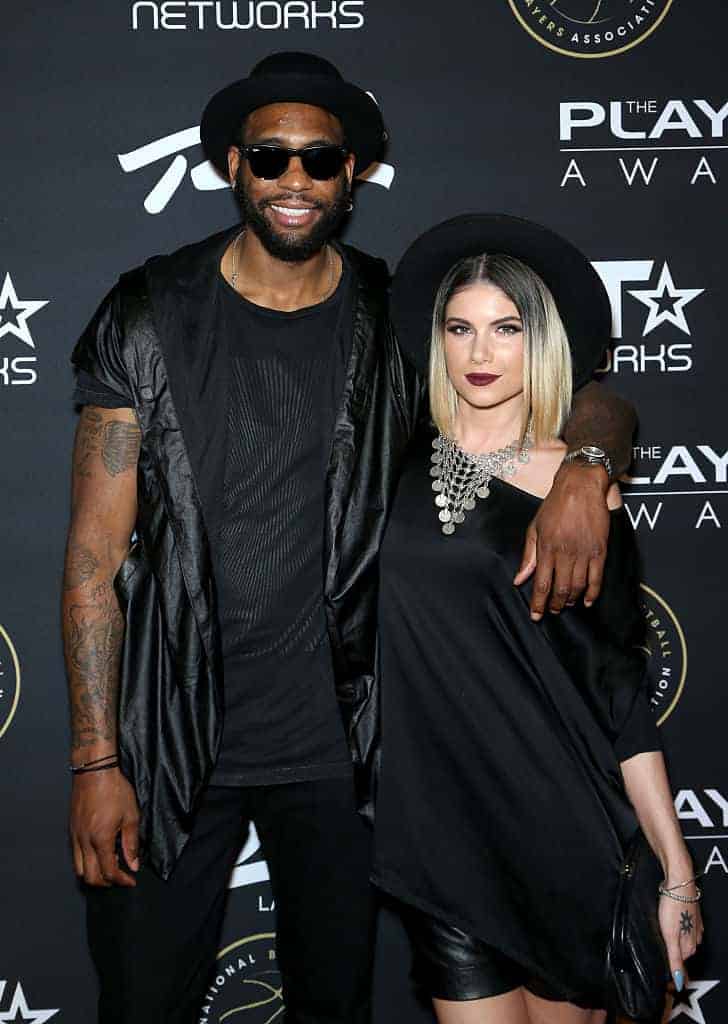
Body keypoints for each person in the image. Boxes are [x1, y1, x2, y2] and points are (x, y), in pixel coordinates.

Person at [63, 53, 637, 1024]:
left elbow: (588, 394)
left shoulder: (397, 317)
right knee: (142, 1003)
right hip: (169, 741)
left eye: (320, 159)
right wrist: (94, 762)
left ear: (353, 174)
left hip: (352, 753)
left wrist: (585, 466)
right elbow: (91, 561)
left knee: (337, 1006)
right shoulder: (147, 313)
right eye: (270, 157)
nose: (294, 179)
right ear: (233, 166)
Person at [371, 214, 703, 1024]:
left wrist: (676, 870)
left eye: (507, 328)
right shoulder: (390, 462)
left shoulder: (582, 490)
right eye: (460, 328)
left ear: (540, 341)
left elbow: (618, 693)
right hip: (443, 842)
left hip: (564, 833)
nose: (480, 352)